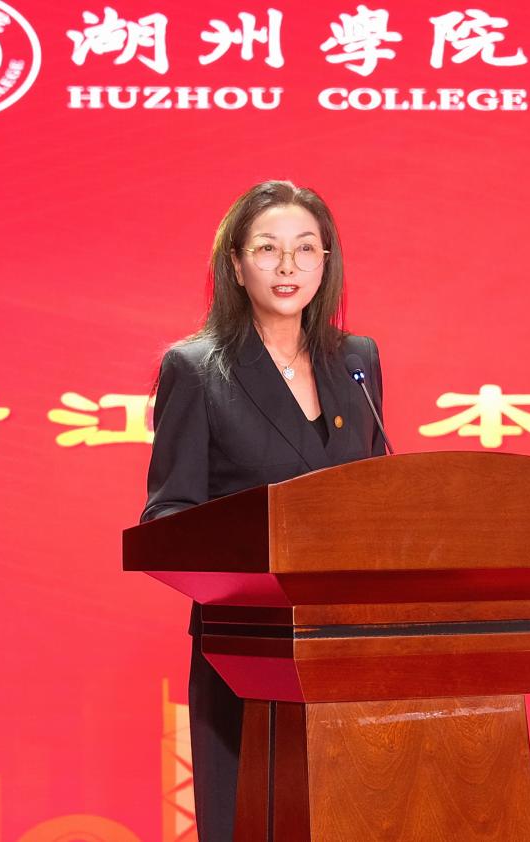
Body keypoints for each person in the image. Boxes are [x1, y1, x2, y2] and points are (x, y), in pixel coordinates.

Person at [139, 180, 386, 842]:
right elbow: (169, 517)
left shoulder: (356, 361)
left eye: (305, 249)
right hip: (247, 643)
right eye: (267, 248)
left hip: (353, 639)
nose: (287, 266)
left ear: (326, 261)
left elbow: (378, 493)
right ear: (235, 263)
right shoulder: (197, 368)